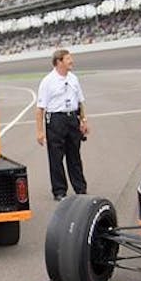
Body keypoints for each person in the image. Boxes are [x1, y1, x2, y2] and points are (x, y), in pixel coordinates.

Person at [35, 48, 88, 200]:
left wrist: (83, 120)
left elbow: (80, 102)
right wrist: (39, 132)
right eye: (68, 59)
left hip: (72, 118)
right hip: (55, 120)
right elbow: (39, 109)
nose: (72, 61)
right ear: (59, 62)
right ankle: (59, 191)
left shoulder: (73, 79)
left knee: (75, 156)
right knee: (56, 158)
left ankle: (80, 189)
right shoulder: (47, 82)